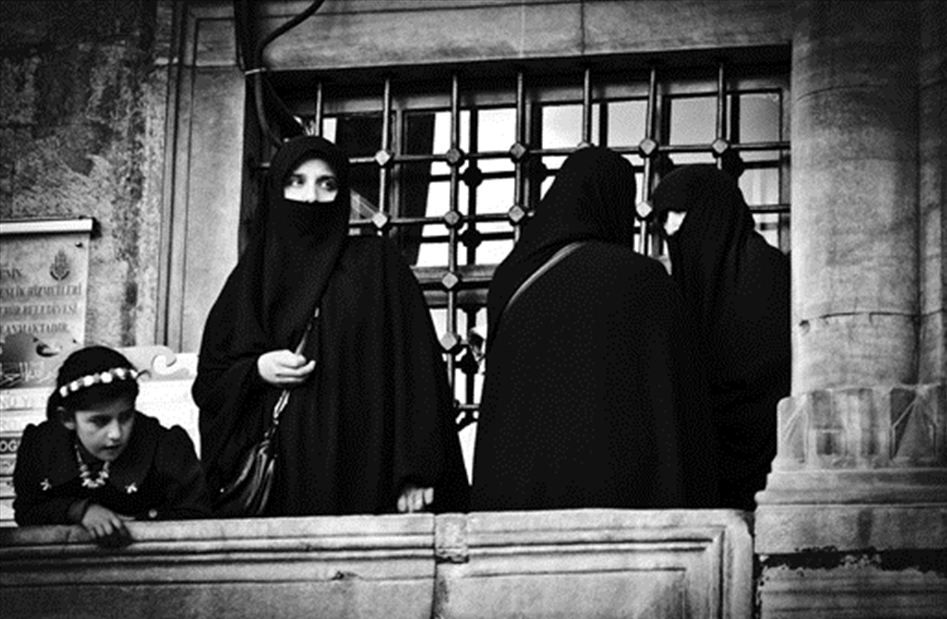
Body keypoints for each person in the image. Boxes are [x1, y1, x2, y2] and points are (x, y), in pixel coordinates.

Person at [193, 135, 469, 517]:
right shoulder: (250, 281)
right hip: (281, 484)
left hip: (365, 470)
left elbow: (416, 367)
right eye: (297, 182)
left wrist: (417, 469)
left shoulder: (376, 265)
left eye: (327, 184)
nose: (311, 197)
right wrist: (257, 370)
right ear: (276, 190)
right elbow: (211, 384)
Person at [471, 146, 718, 512]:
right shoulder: (644, 279)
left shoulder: (510, 278)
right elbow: (679, 403)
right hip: (626, 505)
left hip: (522, 506)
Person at [651, 164, 791, 511]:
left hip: (775, 476)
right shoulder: (687, 287)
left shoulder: (768, 275)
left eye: (679, 214)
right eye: (663, 218)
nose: (670, 228)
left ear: (713, 208)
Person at [13, 346, 211, 545]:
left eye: (126, 416)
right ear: (67, 419)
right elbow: (27, 511)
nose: (116, 434)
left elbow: (196, 515)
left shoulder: (166, 448)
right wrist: (79, 510)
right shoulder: (41, 448)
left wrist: (137, 523)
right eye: (99, 421)